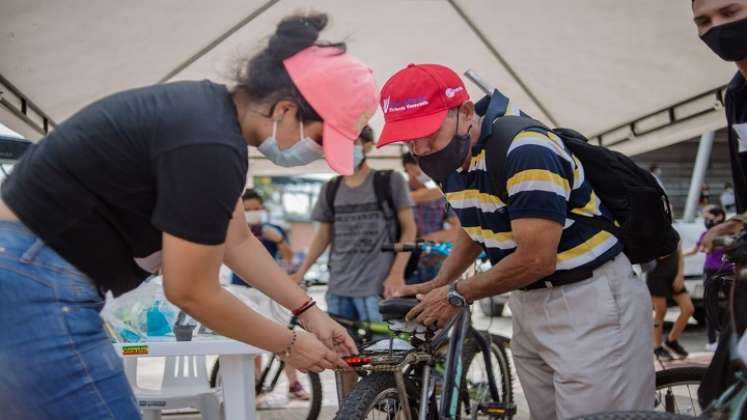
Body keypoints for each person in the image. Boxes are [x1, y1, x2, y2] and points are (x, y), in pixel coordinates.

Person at [0, 12, 377, 419]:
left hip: (27, 267)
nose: (318, 153)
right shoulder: (208, 143)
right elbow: (191, 290)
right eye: (321, 139)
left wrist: (308, 312)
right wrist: (287, 344)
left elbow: (237, 242)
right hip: (33, 275)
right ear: (285, 109)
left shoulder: (209, 118)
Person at [378, 64, 654, 419]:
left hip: (588, 297)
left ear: (464, 113)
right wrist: (443, 280)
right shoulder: (454, 160)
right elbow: (474, 221)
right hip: (528, 300)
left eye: (428, 133)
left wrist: (459, 292)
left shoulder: (525, 149)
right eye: (408, 139)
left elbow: (538, 259)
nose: (420, 147)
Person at [291, 126, 416, 319]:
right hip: (337, 289)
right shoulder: (331, 188)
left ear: (368, 146)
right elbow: (323, 236)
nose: (345, 149)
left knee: (382, 347)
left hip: (377, 287)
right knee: (340, 348)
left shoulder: (390, 180)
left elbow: (409, 228)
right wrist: (301, 272)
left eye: (352, 143)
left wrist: (396, 273)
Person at [229, 188, 308, 404]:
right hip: (241, 290)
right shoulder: (234, 230)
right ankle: (255, 384)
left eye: (257, 208)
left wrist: (280, 240)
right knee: (251, 336)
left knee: (283, 336)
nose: (254, 212)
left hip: (268, 291)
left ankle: (293, 383)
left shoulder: (273, 230)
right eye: (249, 210)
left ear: (263, 209)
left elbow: (291, 258)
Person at [697, 0, 747, 249]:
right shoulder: (736, 95)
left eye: (730, 12)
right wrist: (740, 221)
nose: (717, 26)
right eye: (704, 21)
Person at [401, 152, 460, 284]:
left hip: (435, 265)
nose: (429, 169)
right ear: (409, 168)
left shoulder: (439, 195)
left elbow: (458, 229)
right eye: (424, 165)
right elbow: (416, 197)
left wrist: (424, 240)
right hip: (405, 266)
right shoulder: (399, 192)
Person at [683, 205, 733, 351]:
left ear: (719, 217)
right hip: (710, 272)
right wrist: (677, 255)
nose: (705, 220)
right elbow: (695, 250)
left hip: (728, 272)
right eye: (704, 218)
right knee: (711, 307)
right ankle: (712, 342)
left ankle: (734, 337)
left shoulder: (729, 232)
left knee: (735, 305)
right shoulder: (706, 233)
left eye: (708, 217)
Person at [646, 246, 694, 361]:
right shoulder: (651, 232)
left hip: (674, 276)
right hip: (657, 276)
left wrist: (680, 275)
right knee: (661, 311)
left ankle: (671, 341)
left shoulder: (673, 232)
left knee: (688, 309)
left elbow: (679, 253)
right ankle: (657, 348)